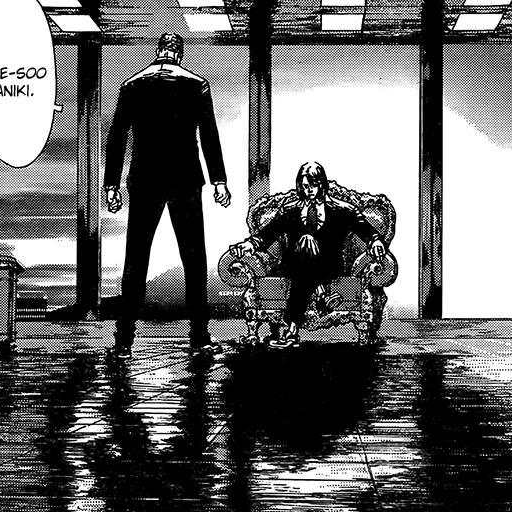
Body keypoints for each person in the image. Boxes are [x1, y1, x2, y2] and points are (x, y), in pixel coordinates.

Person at [102, 33, 231, 357]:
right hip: (185, 180)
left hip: (145, 180)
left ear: (159, 52)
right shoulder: (196, 85)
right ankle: (199, 336)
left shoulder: (132, 85)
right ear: (179, 54)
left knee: (136, 258)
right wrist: (219, 180)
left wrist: (111, 185)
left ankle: (124, 339)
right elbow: (209, 134)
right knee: (194, 258)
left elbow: (117, 135)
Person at [244, 160, 389, 342]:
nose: (309, 191)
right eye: (305, 186)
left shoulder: (341, 209)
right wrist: (251, 244)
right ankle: (322, 295)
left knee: (305, 258)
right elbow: (268, 233)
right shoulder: (290, 209)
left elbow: (363, 227)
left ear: (322, 184)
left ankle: (292, 328)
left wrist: (375, 241)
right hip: (293, 265)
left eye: (313, 185)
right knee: (305, 245)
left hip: (328, 265)